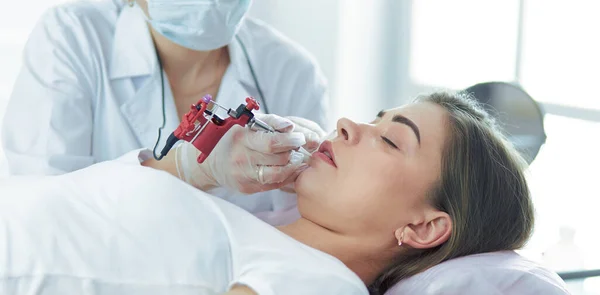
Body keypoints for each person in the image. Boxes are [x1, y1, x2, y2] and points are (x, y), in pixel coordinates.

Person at [0, 91, 536, 294]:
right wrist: (193, 167)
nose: (348, 124)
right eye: (377, 116)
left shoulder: (321, 285)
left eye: (391, 140)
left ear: (423, 226)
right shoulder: (259, 228)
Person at [0, 0, 329, 225]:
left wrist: (306, 172)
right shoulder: (73, 37)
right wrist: (186, 169)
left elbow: (310, 228)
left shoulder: (293, 72)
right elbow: (41, 214)